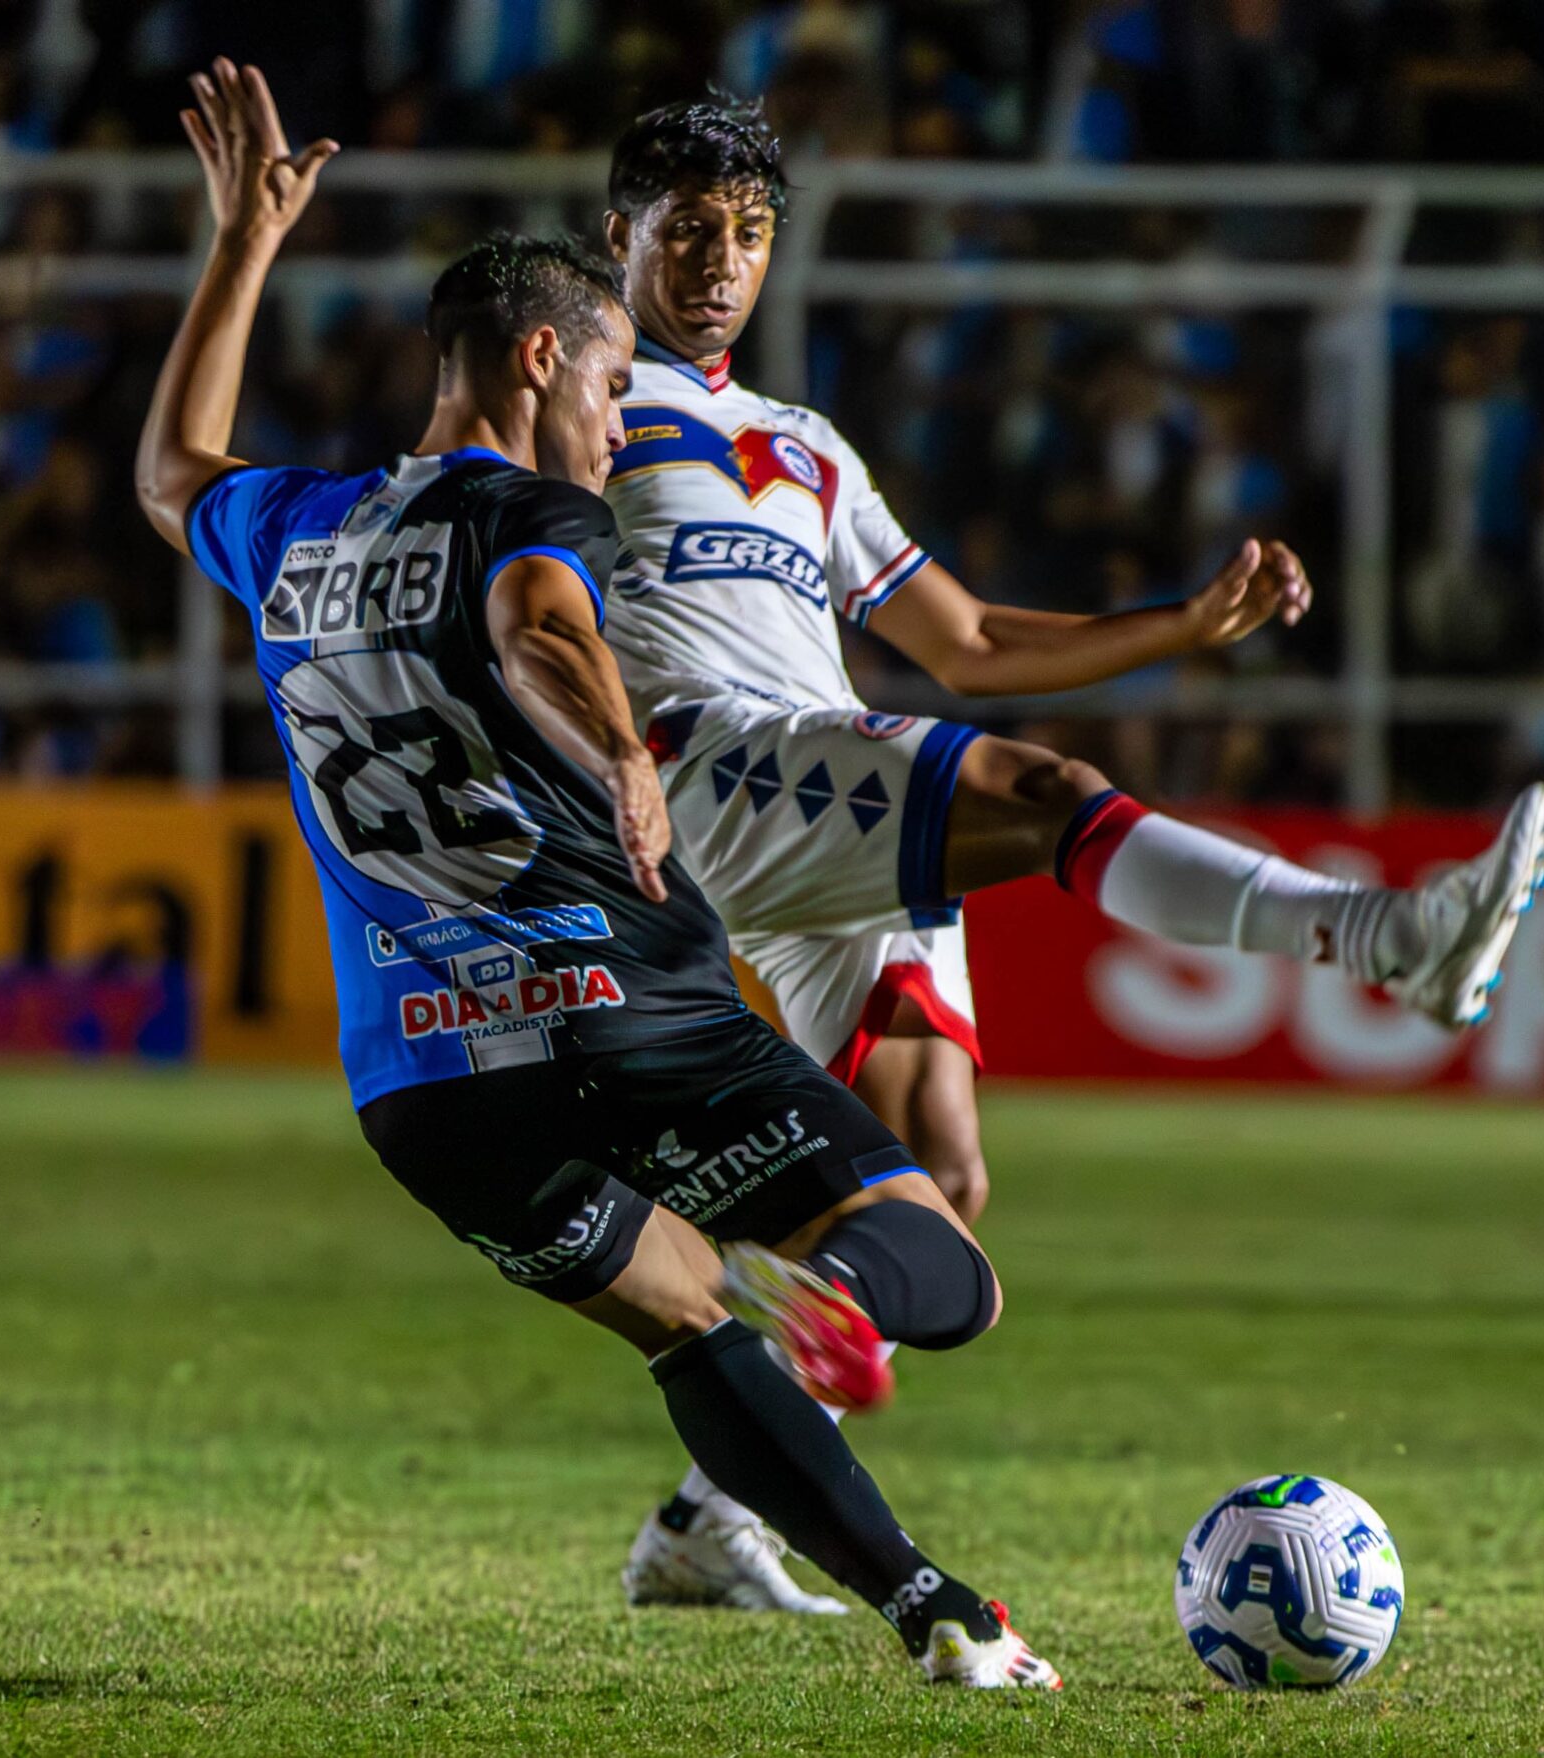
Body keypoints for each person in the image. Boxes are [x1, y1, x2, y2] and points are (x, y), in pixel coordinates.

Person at [134, 59, 1061, 1689]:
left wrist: (241, 245)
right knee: (945, 1261)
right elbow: (538, 622)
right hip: (621, 1007)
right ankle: (825, 1304)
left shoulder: (296, 526)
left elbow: (169, 473)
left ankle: (941, 1615)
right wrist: (624, 748)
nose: (621, 414)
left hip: (422, 1083)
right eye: (615, 375)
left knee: (690, 1321)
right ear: (548, 354)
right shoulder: (537, 508)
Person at [594, 97, 1544, 1611]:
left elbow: (967, 638)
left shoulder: (806, 447)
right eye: (692, 228)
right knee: (1045, 794)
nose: (723, 260)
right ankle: (1390, 940)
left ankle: (712, 1514)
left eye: (751, 231)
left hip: (816, 791)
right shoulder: (573, 403)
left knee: (939, 1175)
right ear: (622, 237)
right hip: (704, 768)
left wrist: (1183, 624)